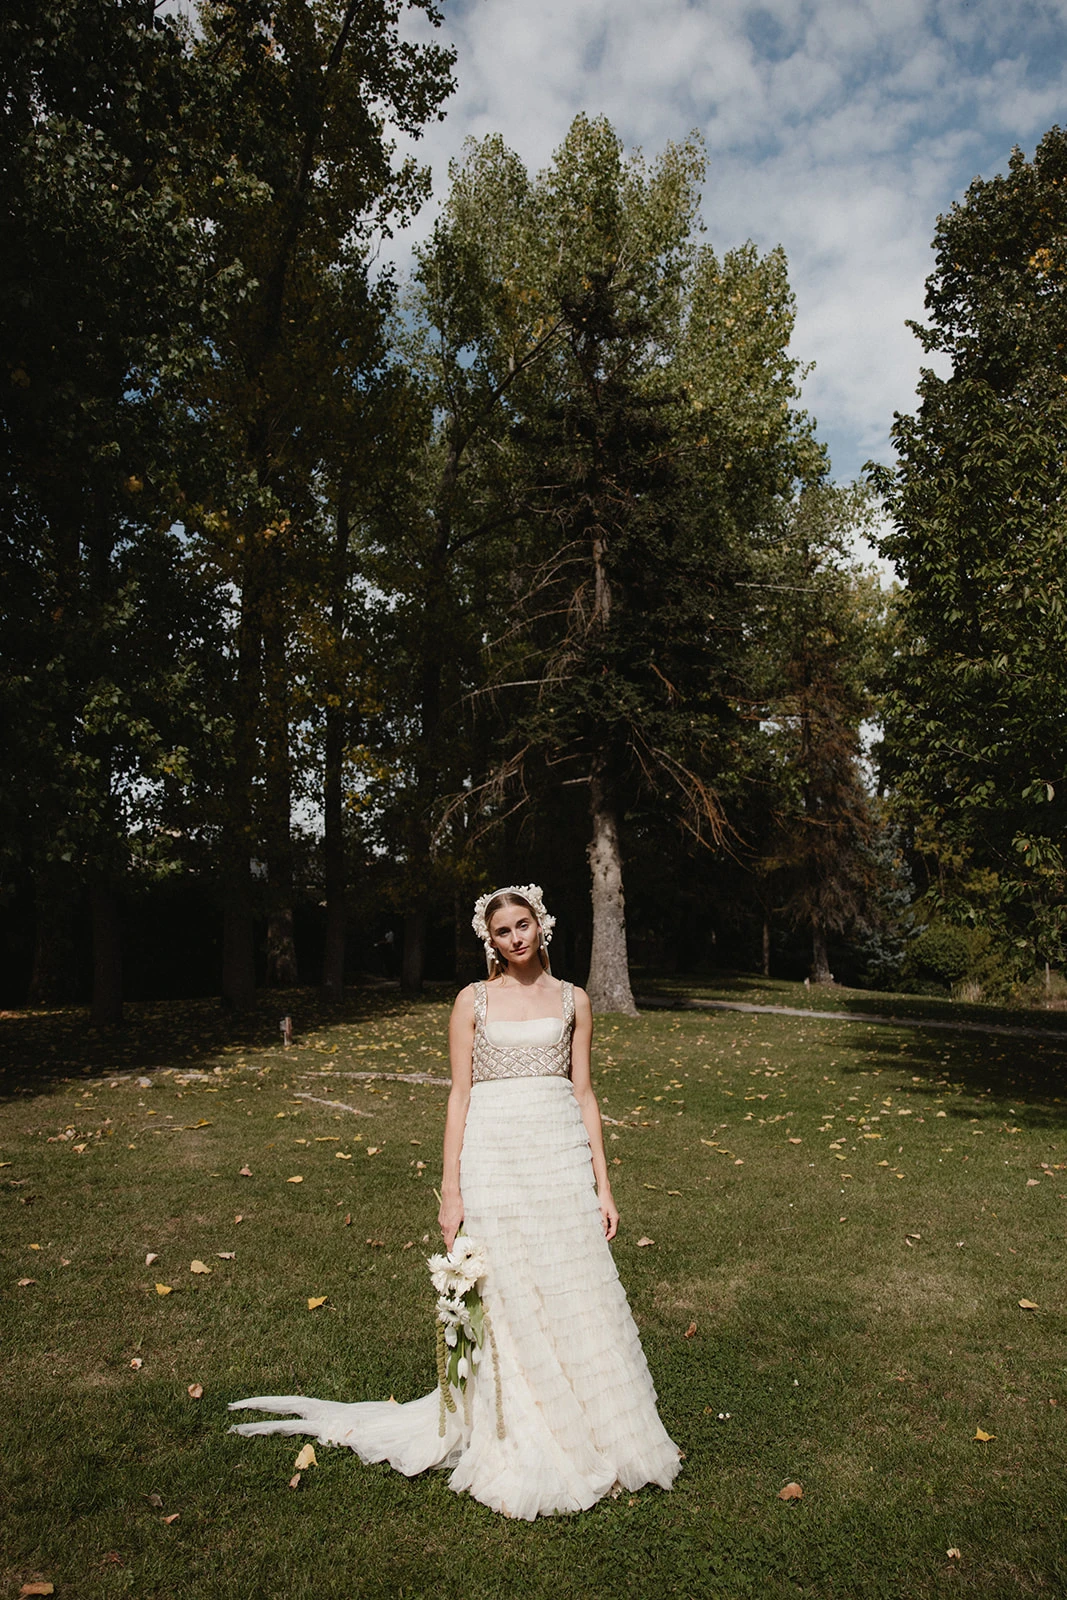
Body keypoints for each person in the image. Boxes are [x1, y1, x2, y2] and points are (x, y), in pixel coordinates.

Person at [228, 884, 680, 1519]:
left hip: (558, 1158)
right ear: (489, 941)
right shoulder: (472, 1001)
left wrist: (604, 1185)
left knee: (574, 1283)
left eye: (523, 925)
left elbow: (584, 1093)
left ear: (542, 924)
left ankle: (598, 1428)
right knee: (507, 1292)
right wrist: (452, 1190)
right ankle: (519, 1432)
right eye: (503, 932)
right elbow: (460, 1095)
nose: (515, 938)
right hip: (493, 1158)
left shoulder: (574, 1000)